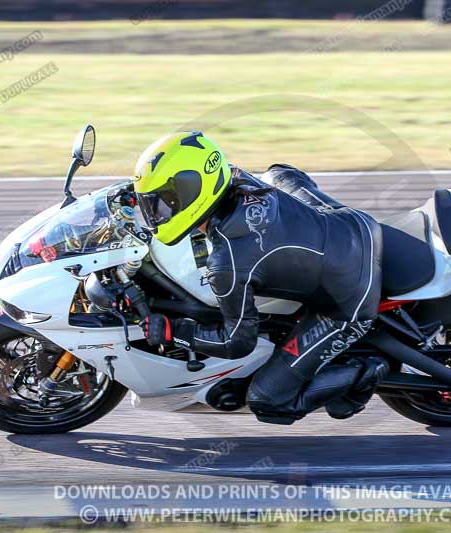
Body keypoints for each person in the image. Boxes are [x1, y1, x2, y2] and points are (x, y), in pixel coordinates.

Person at [132, 131, 388, 424]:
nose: (156, 213)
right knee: (278, 174)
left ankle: (367, 372)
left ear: (192, 191)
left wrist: (171, 332)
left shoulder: (226, 263)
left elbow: (237, 342)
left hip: (350, 295)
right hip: (349, 222)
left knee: (268, 399)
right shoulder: (232, 177)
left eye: (162, 203)